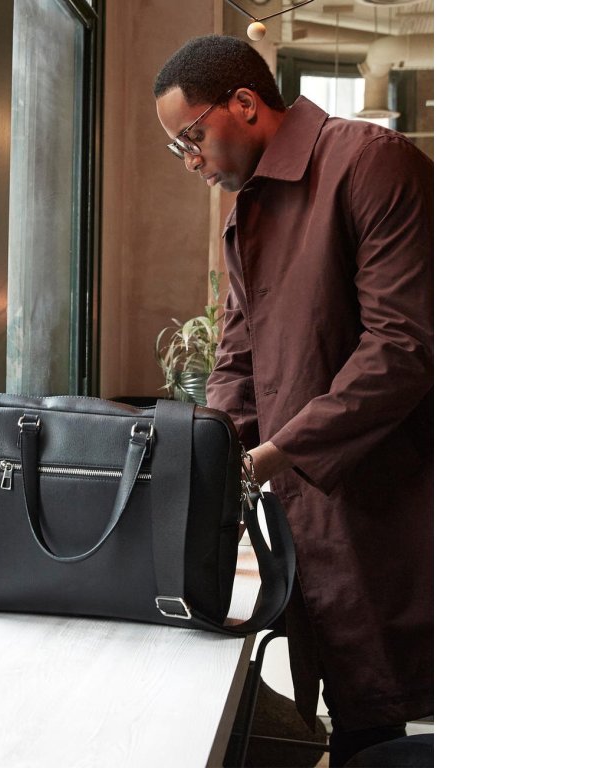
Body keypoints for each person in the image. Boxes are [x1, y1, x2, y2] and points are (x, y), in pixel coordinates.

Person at [154, 35, 433, 767]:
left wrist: (275, 455)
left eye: (191, 137)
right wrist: (208, 457)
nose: (189, 160)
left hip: (398, 499)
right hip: (309, 515)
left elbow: (404, 347)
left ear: (245, 104)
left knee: (402, 703)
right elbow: (235, 359)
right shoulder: (243, 211)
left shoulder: (371, 161)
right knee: (359, 712)